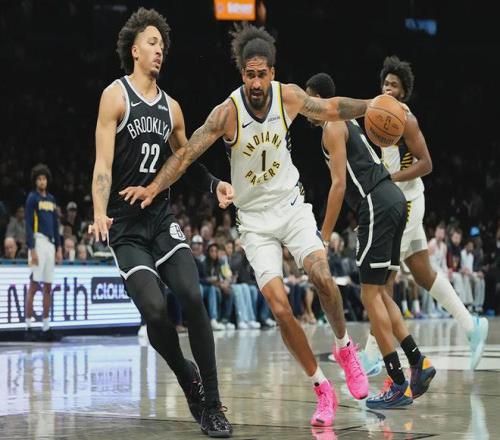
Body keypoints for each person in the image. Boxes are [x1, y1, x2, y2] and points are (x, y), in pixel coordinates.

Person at [120, 23, 371, 427]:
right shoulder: (228, 112)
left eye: (262, 74)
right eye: (250, 75)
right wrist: (153, 187)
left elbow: (330, 108)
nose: (256, 82)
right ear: (242, 74)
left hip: (291, 205)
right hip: (254, 222)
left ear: (272, 72)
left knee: (323, 277)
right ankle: (322, 387)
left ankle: (345, 348)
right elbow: (185, 155)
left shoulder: (288, 96)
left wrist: (372, 105)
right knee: (280, 308)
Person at [89, 8, 232, 437]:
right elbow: (102, 165)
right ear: (134, 50)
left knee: (192, 294)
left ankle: (212, 403)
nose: (159, 50)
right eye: (152, 43)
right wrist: (98, 210)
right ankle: (186, 375)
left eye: (163, 45)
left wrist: (214, 185)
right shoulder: (115, 96)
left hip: (161, 219)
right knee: (154, 311)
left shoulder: (172, 108)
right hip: (126, 226)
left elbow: (185, 159)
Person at [305, 72, 434, 409]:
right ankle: (418, 363)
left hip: (375, 203)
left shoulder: (332, 126)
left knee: (369, 294)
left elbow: (338, 185)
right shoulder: (349, 122)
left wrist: (324, 235)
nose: (304, 107)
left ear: (317, 98)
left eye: (307, 99)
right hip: (393, 199)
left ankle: (398, 383)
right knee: (380, 293)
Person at [360, 56, 488, 373]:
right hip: (397, 200)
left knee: (384, 279)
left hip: (406, 203)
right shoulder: (378, 113)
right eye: (385, 83)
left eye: (394, 85)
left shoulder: (407, 120)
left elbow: (427, 164)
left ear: (403, 92)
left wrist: (391, 179)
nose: (387, 88)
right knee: (422, 272)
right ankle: (471, 325)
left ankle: (374, 352)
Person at [24, 163, 63, 333]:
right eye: (39, 179)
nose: (42, 181)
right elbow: (28, 225)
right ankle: (28, 326)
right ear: (35, 181)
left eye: (44, 178)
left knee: (48, 286)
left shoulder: (51, 200)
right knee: (34, 285)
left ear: (47, 180)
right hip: (38, 241)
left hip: (50, 244)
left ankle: (46, 326)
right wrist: (32, 249)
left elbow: (55, 224)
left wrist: (59, 248)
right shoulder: (32, 198)